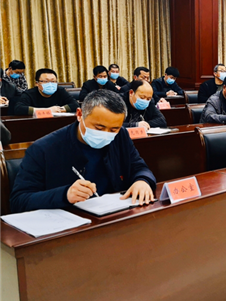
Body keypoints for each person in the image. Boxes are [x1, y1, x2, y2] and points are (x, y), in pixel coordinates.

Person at [10, 90, 156, 213]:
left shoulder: (121, 135)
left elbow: (139, 167)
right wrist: (65, 194)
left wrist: (142, 180)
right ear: (79, 115)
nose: (106, 134)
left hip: (112, 216)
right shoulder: (43, 148)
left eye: (113, 129)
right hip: (68, 224)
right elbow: (19, 201)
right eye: (99, 128)